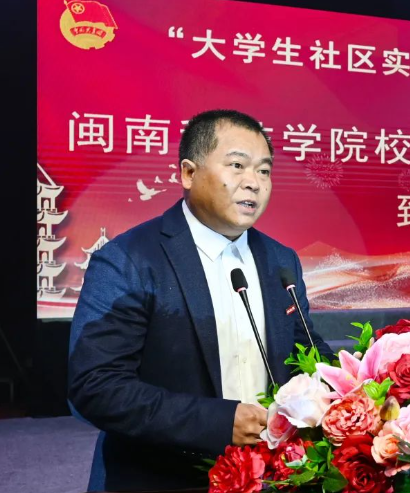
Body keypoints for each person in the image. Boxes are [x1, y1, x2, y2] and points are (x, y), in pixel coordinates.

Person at [68, 109, 333, 491]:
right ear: (189, 174)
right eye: (237, 166)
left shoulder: (281, 260)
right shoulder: (129, 260)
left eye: (264, 171)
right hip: (163, 478)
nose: (254, 183)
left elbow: (305, 348)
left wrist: (349, 389)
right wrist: (218, 423)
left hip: (273, 476)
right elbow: (95, 386)